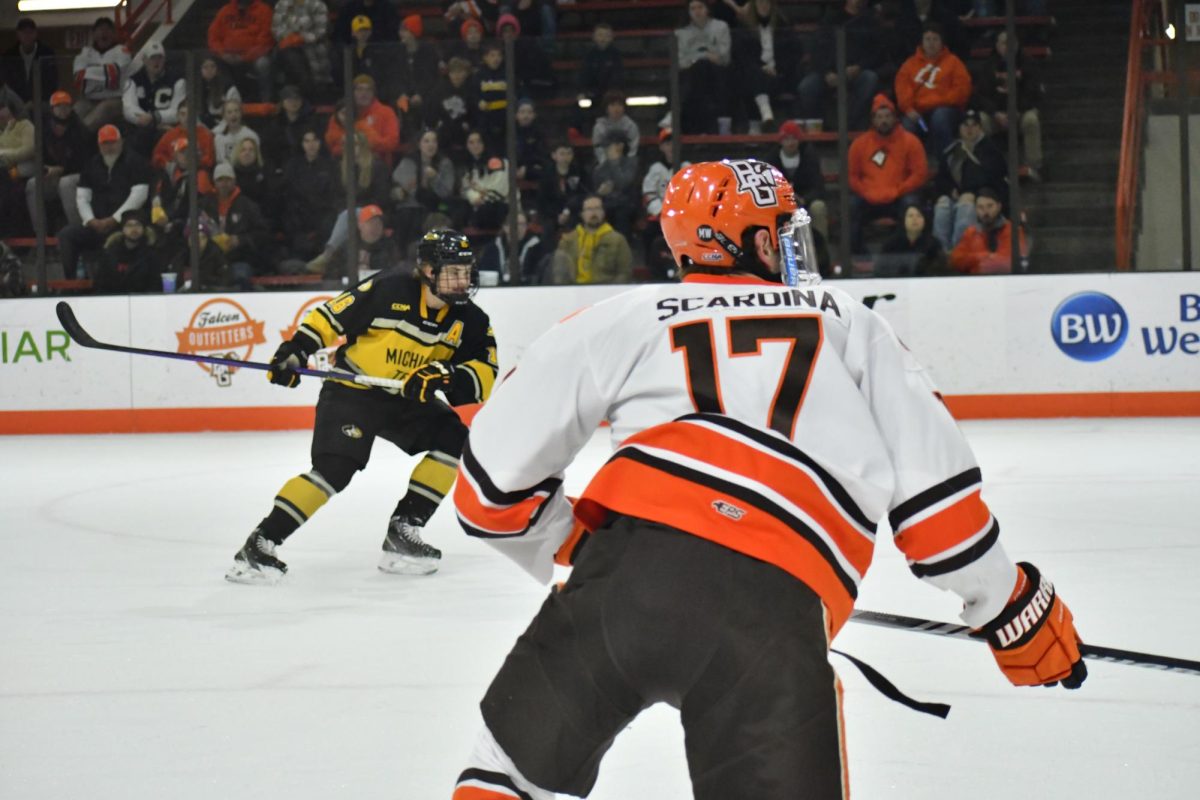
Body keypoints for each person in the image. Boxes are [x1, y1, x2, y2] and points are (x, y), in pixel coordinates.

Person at [449, 158, 1086, 799]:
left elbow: (487, 491)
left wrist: (581, 545)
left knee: (501, 777)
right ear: (751, 241)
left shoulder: (623, 317)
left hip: (618, 592)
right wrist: (1011, 607)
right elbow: (938, 513)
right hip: (773, 616)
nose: (790, 245)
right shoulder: (847, 320)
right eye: (781, 230)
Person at [226, 229, 497, 584]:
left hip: (405, 400)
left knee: (456, 441)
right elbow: (330, 317)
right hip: (354, 390)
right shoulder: (391, 288)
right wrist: (296, 350)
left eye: (467, 271)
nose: (464, 280)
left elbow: (485, 375)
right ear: (428, 270)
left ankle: (403, 532)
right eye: (454, 271)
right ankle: (260, 543)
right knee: (334, 470)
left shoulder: (471, 321)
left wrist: (445, 376)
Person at [57, 125, 152, 280]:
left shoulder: (136, 162)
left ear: (121, 142)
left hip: (124, 226)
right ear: (99, 145)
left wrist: (115, 219)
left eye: (112, 142)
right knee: (67, 235)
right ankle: (71, 283)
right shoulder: (91, 164)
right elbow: (82, 196)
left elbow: (139, 195)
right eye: (105, 143)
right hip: (96, 225)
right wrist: (90, 220)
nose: (109, 147)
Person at [847, 93, 928, 254]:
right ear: (873, 119)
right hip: (869, 198)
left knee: (911, 204)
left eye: (887, 116)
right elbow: (852, 177)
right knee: (851, 205)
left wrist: (898, 190)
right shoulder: (859, 144)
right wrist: (866, 192)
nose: (883, 121)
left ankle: (905, 251)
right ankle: (856, 254)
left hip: (898, 197)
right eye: (879, 116)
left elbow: (919, 174)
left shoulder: (910, 141)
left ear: (895, 118)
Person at [796, 0, 882, 132]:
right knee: (806, 87)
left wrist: (859, 66)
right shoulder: (831, 19)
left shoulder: (869, 21)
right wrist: (826, 73)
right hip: (829, 73)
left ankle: (849, 126)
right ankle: (822, 127)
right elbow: (817, 51)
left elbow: (877, 53)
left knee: (870, 79)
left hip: (856, 72)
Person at [932, 107, 1008, 249]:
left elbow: (994, 178)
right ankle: (941, 254)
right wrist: (949, 191)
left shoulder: (992, 150)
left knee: (965, 208)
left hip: (982, 197)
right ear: (959, 128)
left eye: (974, 125)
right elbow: (940, 179)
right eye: (965, 125)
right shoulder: (951, 152)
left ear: (980, 128)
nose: (969, 129)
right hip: (957, 196)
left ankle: (960, 252)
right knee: (942, 207)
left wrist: (973, 194)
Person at [973, 30, 1044, 181]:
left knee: (1031, 120)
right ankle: (981, 165)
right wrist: (995, 113)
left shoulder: (1028, 63)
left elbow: (1033, 93)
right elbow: (981, 96)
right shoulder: (988, 66)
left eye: (1012, 43)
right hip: (996, 115)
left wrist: (1017, 111)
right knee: (980, 120)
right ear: (997, 46)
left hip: (1020, 113)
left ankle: (1034, 166)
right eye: (1004, 43)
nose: (1008, 46)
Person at [895, 22, 972, 157]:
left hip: (947, 111)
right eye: (928, 39)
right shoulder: (909, 64)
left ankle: (946, 162)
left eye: (935, 39)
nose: (931, 43)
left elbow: (961, 91)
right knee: (907, 125)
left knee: (940, 117)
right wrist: (908, 109)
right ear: (922, 42)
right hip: (919, 115)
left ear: (942, 42)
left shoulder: (954, 62)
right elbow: (902, 89)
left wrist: (936, 102)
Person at [27, 91, 95, 231]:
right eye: (59, 106)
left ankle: (77, 233)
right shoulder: (43, 129)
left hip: (79, 176)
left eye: (66, 106)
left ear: (71, 108)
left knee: (65, 184)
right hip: (53, 176)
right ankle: (41, 236)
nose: (63, 110)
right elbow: (39, 156)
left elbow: (86, 162)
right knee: (33, 184)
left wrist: (62, 169)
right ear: (52, 109)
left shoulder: (80, 130)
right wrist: (45, 168)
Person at [200, 161, 270, 286]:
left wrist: (240, 240)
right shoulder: (204, 205)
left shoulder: (247, 205)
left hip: (239, 259)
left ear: (234, 181)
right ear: (214, 182)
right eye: (220, 180)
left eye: (228, 179)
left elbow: (263, 233)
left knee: (239, 276)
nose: (224, 184)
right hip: (211, 260)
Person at [391, 128, 456, 247]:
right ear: (419, 144)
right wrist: (399, 192)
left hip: (436, 206)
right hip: (410, 206)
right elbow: (396, 187)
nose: (431, 145)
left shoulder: (445, 163)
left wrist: (435, 178)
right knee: (408, 215)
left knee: (427, 217)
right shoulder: (408, 162)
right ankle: (404, 255)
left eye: (434, 141)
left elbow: (447, 192)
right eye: (426, 141)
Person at [548, 194, 632, 284]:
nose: (593, 213)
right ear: (582, 214)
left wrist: (610, 292)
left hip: (605, 292)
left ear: (603, 212)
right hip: (574, 292)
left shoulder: (618, 240)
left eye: (597, 208)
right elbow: (559, 274)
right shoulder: (568, 240)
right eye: (589, 209)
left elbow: (624, 273)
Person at [765, 119, 828, 240]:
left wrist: (804, 199)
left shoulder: (809, 157)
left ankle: (821, 247)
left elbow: (818, 186)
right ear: (781, 141)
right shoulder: (772, 159)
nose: (790, 143)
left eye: (794, 138)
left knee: (818, 207)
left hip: (806, 202)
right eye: (787, 139)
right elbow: (767, 187)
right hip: (779, 204)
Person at [676, 0, 732, 134]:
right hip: (692, 75)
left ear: (707, 9)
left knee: (704, 69)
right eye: (693, 8)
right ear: (688, 12)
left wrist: (698, 58)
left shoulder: (721, 27)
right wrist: (706, 56)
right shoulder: (681, 33)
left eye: (700, 7)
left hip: (718, 73)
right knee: (699, 71)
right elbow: (681, 62)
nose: (697, 11)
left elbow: (724, 57)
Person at [121, 41, 186, 157]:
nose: (156, 62)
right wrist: (151, 122)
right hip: (140, 131)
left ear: (164, 59)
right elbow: (128, 108)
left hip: (167, 129)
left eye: (159, 58)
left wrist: (155, 117)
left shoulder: (177, 81)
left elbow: (178, 111)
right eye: (152, 58)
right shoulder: (133, 81)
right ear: (144, 60)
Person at [207, 0, 275, 102]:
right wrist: (223, 54)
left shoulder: (264, 10)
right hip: (227, 57)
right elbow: (213, 37)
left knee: (263, 63)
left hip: (253, 58)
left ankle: (267, 101)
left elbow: (265, 41)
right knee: (210, 61)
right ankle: (227, 97)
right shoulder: (225, 11)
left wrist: (245, 57)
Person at [950, 186, 1028, 274]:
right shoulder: (971, 232)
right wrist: (984, 257)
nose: (985, 212)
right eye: (980, 207)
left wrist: (973, 262)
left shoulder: (1013, 230)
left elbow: (1008, 263)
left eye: (990, 206)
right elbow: (955, 260)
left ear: (999, 206)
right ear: (975, 209)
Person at [72, 17, 131, 131]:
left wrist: (89, 74)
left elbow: (115, 75)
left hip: (115, 100)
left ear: (113, 33)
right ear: (94, 34)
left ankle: (80, 136)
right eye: (100, 29)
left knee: (103, 109)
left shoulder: (122, 51)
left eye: (107, 29)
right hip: (89, 99)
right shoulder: (85, 52)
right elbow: (79, 79)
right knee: (75, 111)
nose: (104, 33)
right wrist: (106, 76)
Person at [270, 0, 332, 99]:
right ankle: (299, 96)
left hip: (312, 46)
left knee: (302, 60)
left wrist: (301, 38)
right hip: (286, 47)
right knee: (290, 56)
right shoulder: (282, 4)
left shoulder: (318, 5)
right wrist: (290, 38)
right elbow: (276, 30)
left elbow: (320, 31)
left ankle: (307, 95)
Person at [323, 203, 401, 280]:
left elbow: (396, 274)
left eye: (379, 223)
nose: (375, 226)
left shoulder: (389, 247)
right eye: (371, 222)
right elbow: (329, 277)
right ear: (360, 225)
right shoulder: (347, 248)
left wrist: (370, 272)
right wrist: (353, 272)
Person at [93, 207, 161, 294]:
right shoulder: (110, 254)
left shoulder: (152, 256)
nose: (134, 229)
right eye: (129, 225)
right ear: (123, 229)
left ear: (144, 229)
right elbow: (100, 285)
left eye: (138, 225)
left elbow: (155, 286)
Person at [874, 199, 949, 276]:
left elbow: (940, 272)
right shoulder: (891, 245)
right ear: (903, 220)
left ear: (924, 220)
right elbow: (880, 271)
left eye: (919, 216)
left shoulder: (934, 245)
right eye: (910, 216)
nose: (914, 219)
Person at [4, 18, 58, 107]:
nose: (27, 36)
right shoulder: (10, 56)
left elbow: (52, 81)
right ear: (18, 34)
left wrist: (39, 101)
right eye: (24, 33)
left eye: (30, 32)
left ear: (35, 34)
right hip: (16, 105)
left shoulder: (46, 54)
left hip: (42, 104)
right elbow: (7, 82)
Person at [151, 99, 216, 172]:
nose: (187, 118)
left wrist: (194, 162)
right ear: (177, 116)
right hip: (173, 173)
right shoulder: (170, 135)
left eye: (190, 114)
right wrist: (170, 163)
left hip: (198, 172)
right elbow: (157, 156)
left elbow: (210, 159)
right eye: (183, 114)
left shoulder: (205, 135)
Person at [589, 90, 639, 164]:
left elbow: (632, 150)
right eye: (612, 105)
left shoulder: (631, 126)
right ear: (606, 108)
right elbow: (598, 149)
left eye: (619, 105)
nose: (616, 108)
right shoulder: (599, 127)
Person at [212, 98, 261, 165]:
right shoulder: (218, 138)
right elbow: (220, 161)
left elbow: (256, 161)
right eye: (229, 112)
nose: (233, 115)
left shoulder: (251, 136)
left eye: (236, 111)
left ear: (241, 114)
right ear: (224, 116)